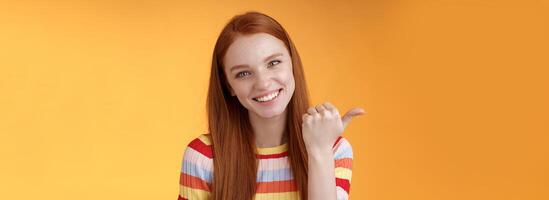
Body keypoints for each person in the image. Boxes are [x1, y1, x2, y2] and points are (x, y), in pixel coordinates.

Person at [178, 11, 365, 200]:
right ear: (229, 86)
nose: (263, 83)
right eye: (243, 73)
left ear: (293, 64)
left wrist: (319, 151)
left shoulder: (333, 149)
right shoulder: (203, 157)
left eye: (273, 63)